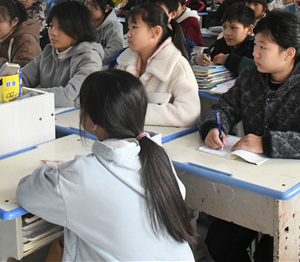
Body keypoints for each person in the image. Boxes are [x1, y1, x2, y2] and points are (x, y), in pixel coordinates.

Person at [200, 11, 300, 260]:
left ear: (288, 53)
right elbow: (223, 108)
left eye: (263, 47)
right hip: (258, 185)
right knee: (219, 240)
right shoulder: (250, 78)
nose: (255, 53)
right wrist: (214, 126)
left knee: (270, 253)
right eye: (255, 45)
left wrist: (267, 143)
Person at [16, 70, 196, 261]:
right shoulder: (158, 158)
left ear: (92, 122)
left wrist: (58, 171)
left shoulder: (82, 174)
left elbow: (26, 192)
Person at [116, 3, 200, 127]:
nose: (128, 34)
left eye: (134, 27)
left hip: (164, 137)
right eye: (128, 28)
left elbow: (189, 114)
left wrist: (133, 114)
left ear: (155, 32)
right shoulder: (125, 62)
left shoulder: (177, 65)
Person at [20, 0, 103, 107]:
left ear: (78, 28)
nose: (53, 32)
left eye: (62, 28)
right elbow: (23, 78)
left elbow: (71, 97)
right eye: (51, 26)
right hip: (48, 112)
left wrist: (31, 95)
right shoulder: (48, 52)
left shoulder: (89, 58)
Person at [195, 4, 255, 76]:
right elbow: (207, 53)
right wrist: (200, 59)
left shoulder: (256, 47)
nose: (227, 33)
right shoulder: (221, 43)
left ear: (249, 29)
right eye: (224, 27)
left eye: (233, 28)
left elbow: (259, 69)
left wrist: (227, 59)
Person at [83, 0, 125, 66]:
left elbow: (113, 54)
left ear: (106, 8)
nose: (88, 8)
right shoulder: (83, 22)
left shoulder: (114, 27)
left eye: (93, 4)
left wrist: (87, 58)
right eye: (86, 3)